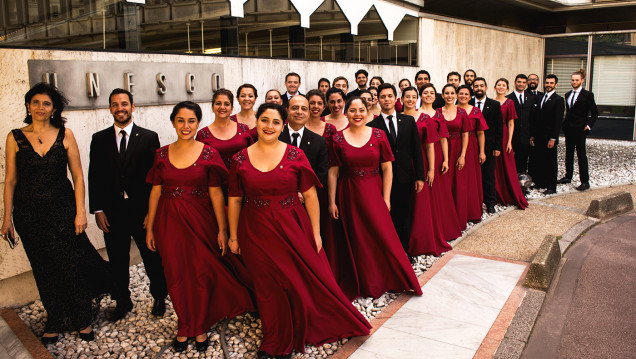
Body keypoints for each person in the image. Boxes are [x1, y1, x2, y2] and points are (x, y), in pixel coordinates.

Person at [228, 103, 371, 358]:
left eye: (274, 122)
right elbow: (235, 199)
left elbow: (310, 196)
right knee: (266, 285)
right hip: (255, 230)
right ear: (256, 123)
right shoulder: (240, 158)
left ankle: (300, 324)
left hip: (292, 227)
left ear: (282, 125)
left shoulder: (295, 155)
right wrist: (233, 236)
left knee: (293, 280)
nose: (269, 126)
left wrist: (315, 233)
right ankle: (275, 340)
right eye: (264, 120)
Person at [3, 83, 116, 344]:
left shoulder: (65, 134)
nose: (40, 108)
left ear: (54, 108)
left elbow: (78, 176)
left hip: (63, 211)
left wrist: (80, 213)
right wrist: (6, 218)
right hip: (29, 216)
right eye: (36, 103)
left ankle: (82, 318)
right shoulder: (15, 137)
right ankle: (55, 318)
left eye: (46, 104)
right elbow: (10, 181)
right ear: (28, 106)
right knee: (44, 268)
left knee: (71, 264)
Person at [145, 101, 255, 353]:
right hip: (169, 223)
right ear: (173, 122)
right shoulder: (161, 154)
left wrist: (222, 229)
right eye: (181, 120)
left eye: (191, 121)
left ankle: (201, 324)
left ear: (198, 123)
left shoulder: (209, 154)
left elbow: (216, 194)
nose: (186, 126)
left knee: (200, 274)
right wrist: (150, 228)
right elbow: (155, 192)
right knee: (175, 276)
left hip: (201, 222)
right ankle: (185, 325)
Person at [328, 96, 423, 299]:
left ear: (367, 110)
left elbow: (387, 168)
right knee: (358, 237)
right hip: (349, 193)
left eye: (361, 110)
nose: (357, 114)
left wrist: (386, 198)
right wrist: (332, 201)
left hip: (373, 191)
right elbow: (333, 171)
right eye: (352, 110)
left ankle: (393, 276)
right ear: (346, 112)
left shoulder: (379, 135)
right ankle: (364, 280)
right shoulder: (337, 138)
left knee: (381, 234)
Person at [89, 88, 168, 322]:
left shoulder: (149, 137)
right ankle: (123, 300)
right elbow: (95, 176)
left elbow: (156, 178)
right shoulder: (99, 139)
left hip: (141, 211)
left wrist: (151, 214)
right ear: (110, 108)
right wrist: (98, 209)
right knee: (117, 259)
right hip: (112, 211)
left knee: (152, 257)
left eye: (124, 103)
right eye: (115, 104)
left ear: (133, 107)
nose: (120, 108)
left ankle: (159, 297)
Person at [368, 83, 425, 253]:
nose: (386, 99)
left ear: (396, 98)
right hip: (383, 179)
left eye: (389, 96)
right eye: (383, 96)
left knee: (404, 217)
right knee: (386, 217)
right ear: (378, 99)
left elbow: (416, 150)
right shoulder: (372, 125)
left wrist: (420, 176)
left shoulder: (408, 121)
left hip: (406, 177)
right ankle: (390, 253)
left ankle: (405, 252)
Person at [406, 85, 453, 257]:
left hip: (423, 160)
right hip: (403, 162)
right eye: (407, 96)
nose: (410, 99)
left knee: (423, 199)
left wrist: (432, 168)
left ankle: (423, 236)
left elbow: (432, 144)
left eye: (413, 96)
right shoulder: (398, 118)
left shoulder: (426, 118)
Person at [419, 83, 463, 242]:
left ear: (436, 96)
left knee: (440, 191)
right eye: (425, 92)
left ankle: (443, 228)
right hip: (420, 154)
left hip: (436, 153)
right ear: (421, 95)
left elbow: (444, 139)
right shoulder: (415, 114)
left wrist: (446, 159)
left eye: (431, 93)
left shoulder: (438, 115)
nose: (428, 95)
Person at [558, 69, 598, 191]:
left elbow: (595, 113)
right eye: (573, 80)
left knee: (581, 155)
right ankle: (568, 176)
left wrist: (588, 125)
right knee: (569, 153)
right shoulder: (567, 94)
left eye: (576, 80)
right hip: (569, 128)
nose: (574, 82)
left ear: (582, 81)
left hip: (581, 129)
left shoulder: (587, 95)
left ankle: (585, 181)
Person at [437, 84, 471, 229]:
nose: (450, 96)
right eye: (447, 93)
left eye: (452, 93)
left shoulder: (462, 112)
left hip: (457, 150)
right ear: (442, 95)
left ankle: (459, 219)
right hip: (441, 150)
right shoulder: (437, 112)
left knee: (458, 186)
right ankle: (445, 220)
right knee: (443, 184)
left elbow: (465, 134)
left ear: (456, 95)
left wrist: (463, 155)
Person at [196, 89, 255, 171]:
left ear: (231, 109)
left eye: (226, 104)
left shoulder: (244, 129)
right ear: (212, 107)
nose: (222, 107)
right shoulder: (202, 134)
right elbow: (199, 165)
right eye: (218, 103)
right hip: (215, 182)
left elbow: (253, 156)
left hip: (241, 179)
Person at [493, 79, 529, 209]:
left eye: (503, 86)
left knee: (506, 164)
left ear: (507, 88)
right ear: (494, 87)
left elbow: (511, 123)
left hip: (504, 135)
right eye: (499, 85)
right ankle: (495, 194)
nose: (501, 87)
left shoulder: (510, 103)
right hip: (492, 136)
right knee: (494, 166)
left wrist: (509, 141)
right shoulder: (491, 101)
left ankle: (508, 193)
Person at [470, 77, 503, 214]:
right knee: (472, 176)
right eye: (476, 86)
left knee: (488, 175)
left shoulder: (494, 105)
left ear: (486, 88)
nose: (479, 88)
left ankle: (490, 203)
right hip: (471, 145)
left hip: (489, 146)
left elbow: (499, 127)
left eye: (481, 86)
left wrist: (497, 147)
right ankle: (474, 203)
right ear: (473, 88)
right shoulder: (468, 103)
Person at [280, 95, 329, 187]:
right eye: (294, 108)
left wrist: (306, 193)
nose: (299, 112)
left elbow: (321, 174)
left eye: (304, 109)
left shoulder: (319, 141)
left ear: (308, 113)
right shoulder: (276, 137)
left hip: (309, 196)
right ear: (287, 110)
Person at [457, 85, 488, 222]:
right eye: (461, 93)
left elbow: (481, 133)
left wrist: (482, 152)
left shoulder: (475, 111)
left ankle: (472, 210)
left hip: (472, 146)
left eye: (466, 94)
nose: (463, 96)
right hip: (455, 145)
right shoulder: (452, 110)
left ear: (470, 96)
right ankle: (458, 210)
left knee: (471, 178)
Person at [532, 74, 564, 195]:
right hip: (539, 136)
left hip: (550, 137)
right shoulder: (540, 97)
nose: (548, 85)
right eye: (547, 83)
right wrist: (533, 135)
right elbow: (537, 118)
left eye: (551, 83)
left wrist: (553, 138)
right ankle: (541, 182)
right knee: (540, 159)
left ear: (556, 85)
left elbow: (558, 121)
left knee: (551, 162)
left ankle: (551, 187)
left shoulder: (558, 100)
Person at [507, 74, 537, 174]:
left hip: (525, 136)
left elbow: (533, 118)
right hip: (512, 136)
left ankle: (522, 185)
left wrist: (532, 135)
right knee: (510, 161)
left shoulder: (531, 98)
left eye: (524, 82)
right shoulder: (508, 99)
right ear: (515, 82)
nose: (521, 84)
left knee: (523, 162)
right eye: (519, 82)